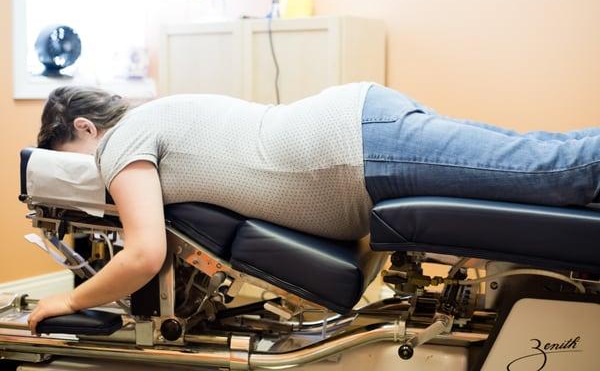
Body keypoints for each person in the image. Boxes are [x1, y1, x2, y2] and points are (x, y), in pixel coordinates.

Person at [27, 82, 600, 333]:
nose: (91, 175)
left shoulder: (122, 141)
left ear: (85, 128)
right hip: (358, 134)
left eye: (77, 158)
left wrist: (70, 298)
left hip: (355, 148)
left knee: (560, 173)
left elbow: (145, 252)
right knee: (550, 159)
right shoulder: (156, 115)